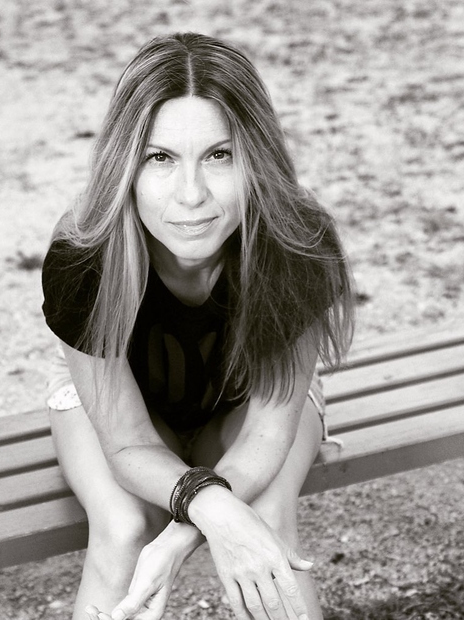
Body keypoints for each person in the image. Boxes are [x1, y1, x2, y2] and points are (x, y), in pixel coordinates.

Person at [41, 32, 354, 620]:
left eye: (220, 155)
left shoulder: (297, 244)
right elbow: (127, 442)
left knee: (265, 516)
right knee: (124, 527)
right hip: (122, 405)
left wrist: (188, 527)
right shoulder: (86, 257)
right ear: (125, 166)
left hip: (253, 403)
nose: (192, 195)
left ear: (256, 158)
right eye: (160, 158)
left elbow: (266, 434)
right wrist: (206, 508)